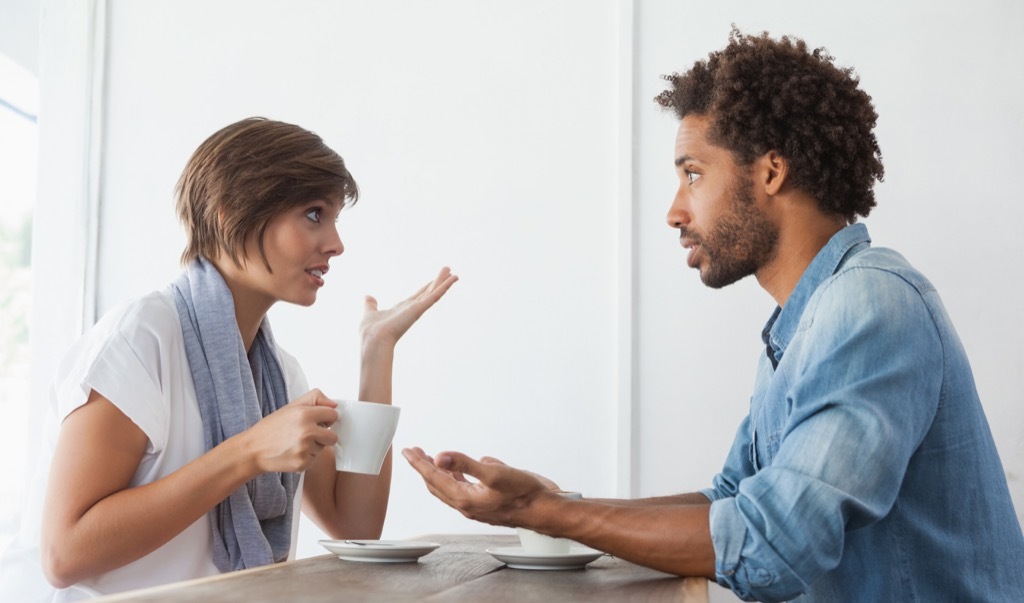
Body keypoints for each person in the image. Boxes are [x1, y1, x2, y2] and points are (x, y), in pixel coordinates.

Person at [402, 29, 1024, 602]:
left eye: (693, 174)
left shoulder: (870, 305)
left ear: (771, 171)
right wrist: (550, 501)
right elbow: (729, 501)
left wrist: (544, 515)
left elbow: (773, 542)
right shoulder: (801, 327)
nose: (674, 211)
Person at [0, 117, 458, 602]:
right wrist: (248, 452)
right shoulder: (142, 338)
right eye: (313, 214)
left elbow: (356, 527)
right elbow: (64, 553)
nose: (336, 244)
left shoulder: (280, 374)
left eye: (335, 219)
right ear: (228, 214)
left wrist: (376, 353)